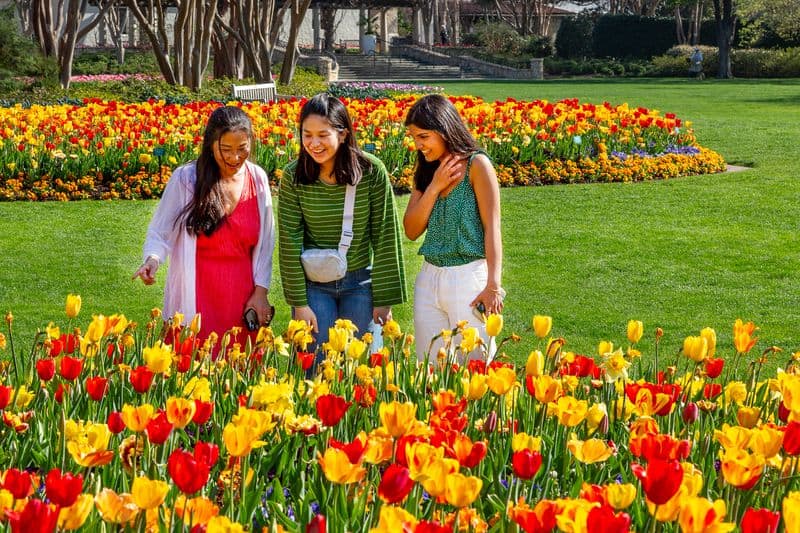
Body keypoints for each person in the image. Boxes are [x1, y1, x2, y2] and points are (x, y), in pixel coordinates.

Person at [133, 105, 276, 350]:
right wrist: (153, 260)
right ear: (211, 145)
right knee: (191, 363)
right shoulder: (186, 179)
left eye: (242, 149)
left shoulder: (258, 178)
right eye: (226, 149)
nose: (234, 158)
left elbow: (266, 244)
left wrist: (260, 292)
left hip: (243, 296)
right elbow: (161, 231)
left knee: (239, 371)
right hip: (196, 294)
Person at [278, 93, 406, 356]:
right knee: (316, 364)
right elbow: (289, 243)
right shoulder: (294, 176)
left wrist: (384, 300)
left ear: (344, 134)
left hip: (360, 282)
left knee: (360, 368)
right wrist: (299, 305)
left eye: (323, 135)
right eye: (307, 134)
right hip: (313, 286)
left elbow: (385, 236)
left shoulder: (371, 171)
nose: (314, 143)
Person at [403, 94, 503, 362]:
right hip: (428, 279)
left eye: (423, 136)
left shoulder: (477, 165)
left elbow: (492, 226)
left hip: (469, 278)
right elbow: (411, 230)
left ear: (444, 129)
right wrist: (434, 186)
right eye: (414, 137)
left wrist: (493, 285)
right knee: (430, 369)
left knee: (475, 368)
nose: (418, 145)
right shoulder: (426, 171)